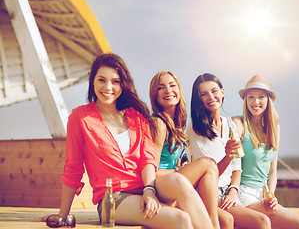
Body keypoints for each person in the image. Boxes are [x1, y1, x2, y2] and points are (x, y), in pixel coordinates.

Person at [44, 53, 215, 229]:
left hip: (145, 187)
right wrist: (62, 215)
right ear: (92, 81)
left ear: (122, 84)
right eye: (102, 80)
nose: (108, 87)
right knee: (181, 219)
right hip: (114, 198)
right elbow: (73, 167)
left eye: (115, 81)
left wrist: (150, 191)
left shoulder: (136, 115)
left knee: (180, 181)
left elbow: (147, 158)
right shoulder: (81, 117)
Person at [149, 71, 233, 229]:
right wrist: (178, 170)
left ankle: (212, 222)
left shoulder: (177, 124)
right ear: (155, 95)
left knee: (226, 220)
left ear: (179, 90)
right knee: (208, 163)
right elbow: (151, 170)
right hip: (161, 186)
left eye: (172, 85)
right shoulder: (159, 123)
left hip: (175, 183)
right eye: (161, 88)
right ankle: (212, 224)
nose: (168, 90)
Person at [187, 73, 271, 229]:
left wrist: (233, 190)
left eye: (214, 91)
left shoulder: (230, 125)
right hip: (207, 193)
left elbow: (237, 167)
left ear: (222, 92)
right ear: (199, 100)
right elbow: (208, 175)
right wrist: (227, 156)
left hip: (229, 192)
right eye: (203, 94)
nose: (211, 97)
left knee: (263, 222)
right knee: (227, 221)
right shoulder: (195, 129)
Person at [232, 75, 299, 229]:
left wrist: (271, 195)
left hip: (263, 195)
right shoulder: (239, 123)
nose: (256, 102)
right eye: (251, 97)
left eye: (261, 97)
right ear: (246, 100)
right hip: (243, 194)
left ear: (268, 100)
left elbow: (272, 172)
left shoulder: (274, 129)